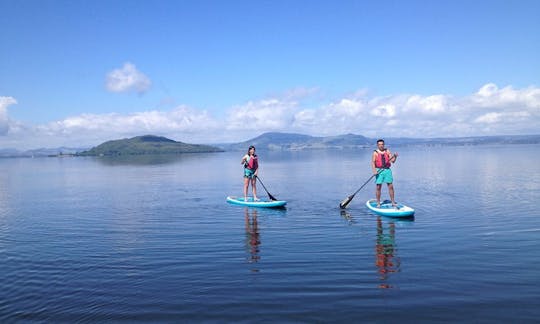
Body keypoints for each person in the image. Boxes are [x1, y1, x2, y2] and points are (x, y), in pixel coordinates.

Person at [371, 139, 398, 207]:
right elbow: (372, 163)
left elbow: (393, 161)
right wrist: (374, 171)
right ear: (377, 145)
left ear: (384, 145)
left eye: (382, 144)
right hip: (379, 170)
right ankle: (378, 203)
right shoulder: (375, 153)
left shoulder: (387, 151)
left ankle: (393, 202)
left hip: (387, 170)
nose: (381, 146)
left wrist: (395, 156)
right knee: (378, 187)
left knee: (391, 186)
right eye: (379, 144)